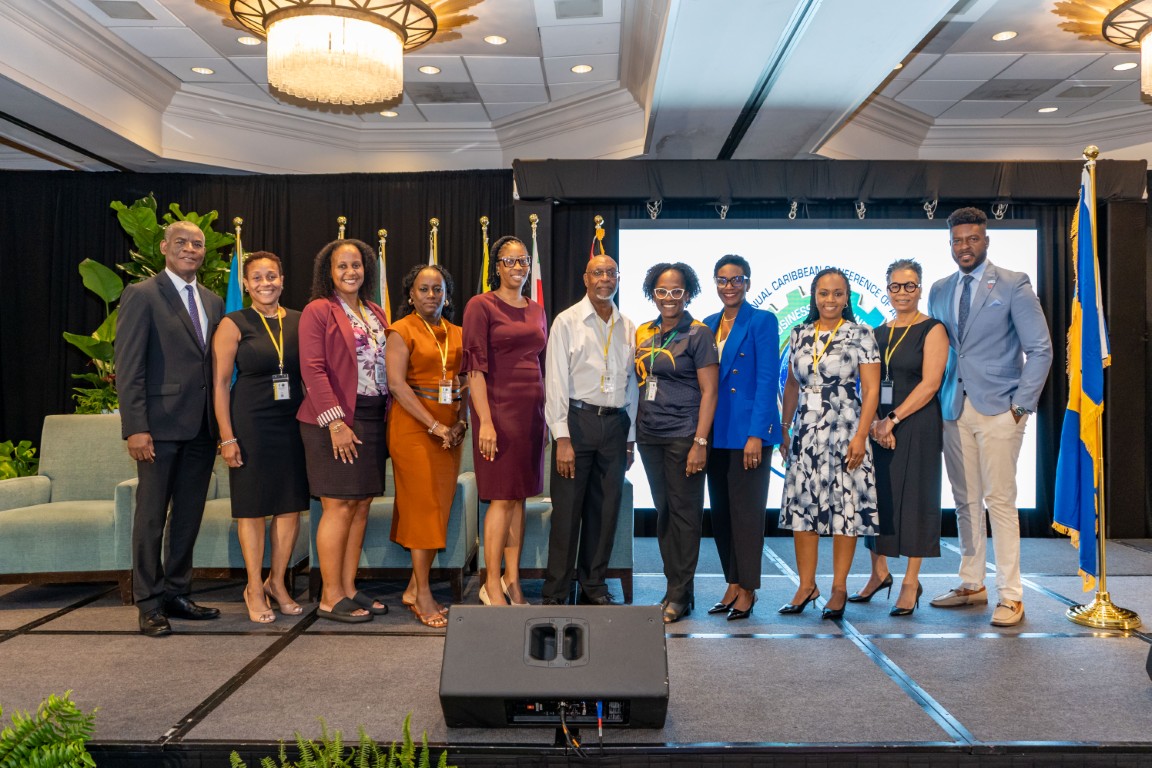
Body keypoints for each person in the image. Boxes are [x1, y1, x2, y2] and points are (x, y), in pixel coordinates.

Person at [927, 207, 1052, 626]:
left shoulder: (1014, 284)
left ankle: (1011, 595)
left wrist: (1021, 407)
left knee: (999, 501)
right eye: (957, 240)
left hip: (1001, 408)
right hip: (953, 407)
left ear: (986, 241)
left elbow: (1040, 350)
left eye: (972, 239)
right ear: (950, 243)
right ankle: (971, 583)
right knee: (965, 501)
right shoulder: (940, 289)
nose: (964, 246)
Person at [115, 220, 225, 637]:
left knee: (188, 517)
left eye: (197, 243)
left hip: (202, 428)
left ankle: (177, 593)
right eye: (181, 242)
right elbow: (129, 367)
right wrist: (135, 427)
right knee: (150, 518)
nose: (190, 249)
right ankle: (148, 603)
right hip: (158, 429)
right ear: (164, 247)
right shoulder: (142, 294)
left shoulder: (213, 301)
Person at [211, 251, 309, 624]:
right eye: (257, 277)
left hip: (293, 423)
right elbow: (220, 384)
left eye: (272, 276)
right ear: (246, 284)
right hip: (250, 422)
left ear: (282, 280)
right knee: (252, 507)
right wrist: (227, 437)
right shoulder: (233, 323)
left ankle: (277, 582)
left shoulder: (300, 320)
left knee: (289, 505)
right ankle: (253, 586)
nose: (265, 283)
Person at [297, 238, 391, 623]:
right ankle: (329, 596)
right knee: (337, 506)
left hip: (372, 416)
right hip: (333, 420)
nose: (351, 272)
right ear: (329, 272)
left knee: (360, 504)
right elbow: (312, 368)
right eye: (342, 266)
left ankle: (349, 588)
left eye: (356, 265)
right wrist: (335, 421)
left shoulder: (375, 311)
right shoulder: (319, 310)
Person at [778, 268, 880, 621]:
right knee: (803, 508)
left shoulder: (861, 333)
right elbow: (792, 385)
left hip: (846, 429)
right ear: (814, 296)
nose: (830, 299)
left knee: (844, 509)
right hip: (806, 431)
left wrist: (861, 435)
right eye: (824, 293)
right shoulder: (799, 333)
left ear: (847, 297)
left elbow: (871, 390)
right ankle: (806, 586)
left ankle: (838, 587)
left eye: (838, 293)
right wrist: (784, 428)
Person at [853, 259, 948, 617]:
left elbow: (931, 384)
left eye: (910, 285)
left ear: (920, 288)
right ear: (887, 289)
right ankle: (879, 573)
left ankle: (910, 581)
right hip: (879, 426)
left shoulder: (933, 329)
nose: (902, 292)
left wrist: (892, 420)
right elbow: (868, 384)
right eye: (895, 286)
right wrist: (875, 423)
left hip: (917, 424)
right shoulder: (878, 332)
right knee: (876, 498)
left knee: (917, 500)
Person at [541, 254, 637, 606]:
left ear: (618, 279)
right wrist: (562, 437)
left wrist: (630, 439)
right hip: (576, 424)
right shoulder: (566, 321)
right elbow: (555, 381)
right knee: (567, 513)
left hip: (615, 425)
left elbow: (632, 385)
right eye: (598, 273)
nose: (605, 279)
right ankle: (556, 591)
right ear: (586, 279)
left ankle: (593, 585)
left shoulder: (628, 326)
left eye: (611, 273)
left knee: (605, 511)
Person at [462, 235, 547, 606]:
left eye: (523, 260)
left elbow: (540, 363)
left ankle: (513, 580)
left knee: (519, 498)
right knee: (500, 498)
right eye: (509, 261)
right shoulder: (481, 305)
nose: (518, 267)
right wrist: (485, 421)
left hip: (532, 414)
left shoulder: (536, 309)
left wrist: (546, 419)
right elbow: (474, 369)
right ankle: (491, 583)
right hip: (498, 411)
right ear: (496, 266)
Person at [634, 262, 719, 624]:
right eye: (661, 291)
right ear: (652, 294)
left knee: (685, 516)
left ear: (688, 294)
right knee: (666, 514)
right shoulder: (644, 331)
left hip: (685, 435)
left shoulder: (698, 334)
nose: (668, 298)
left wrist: (700, 441)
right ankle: (677, 588)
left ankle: (679, 594)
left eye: (676, 291)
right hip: (649, 435)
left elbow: (710, 392)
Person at [385, 264, 469, 628]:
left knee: (437, 508)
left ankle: (411, 588)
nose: (431, 295)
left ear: (446, 295)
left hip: (450, 433)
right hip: (414, 430)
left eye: (438, 289)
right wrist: (433, 425)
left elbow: (464, 380)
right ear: (410, 294)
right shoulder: (401, 330)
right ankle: (422, 595)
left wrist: (461, 422)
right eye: (424, 289)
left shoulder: (458, 333)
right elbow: (396, 385)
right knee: (423, 508)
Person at [703, 254, 781, 621]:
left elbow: (767, 379)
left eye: (736, 279)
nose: (729, 286)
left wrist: (757, 435)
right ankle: (732, 582)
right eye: (722, 280)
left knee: (747, 515)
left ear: (747, 283)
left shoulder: (762, 320)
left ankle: (748, 588)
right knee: (721, 515)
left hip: (748, 432)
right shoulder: (707, 323)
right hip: (715, 431)